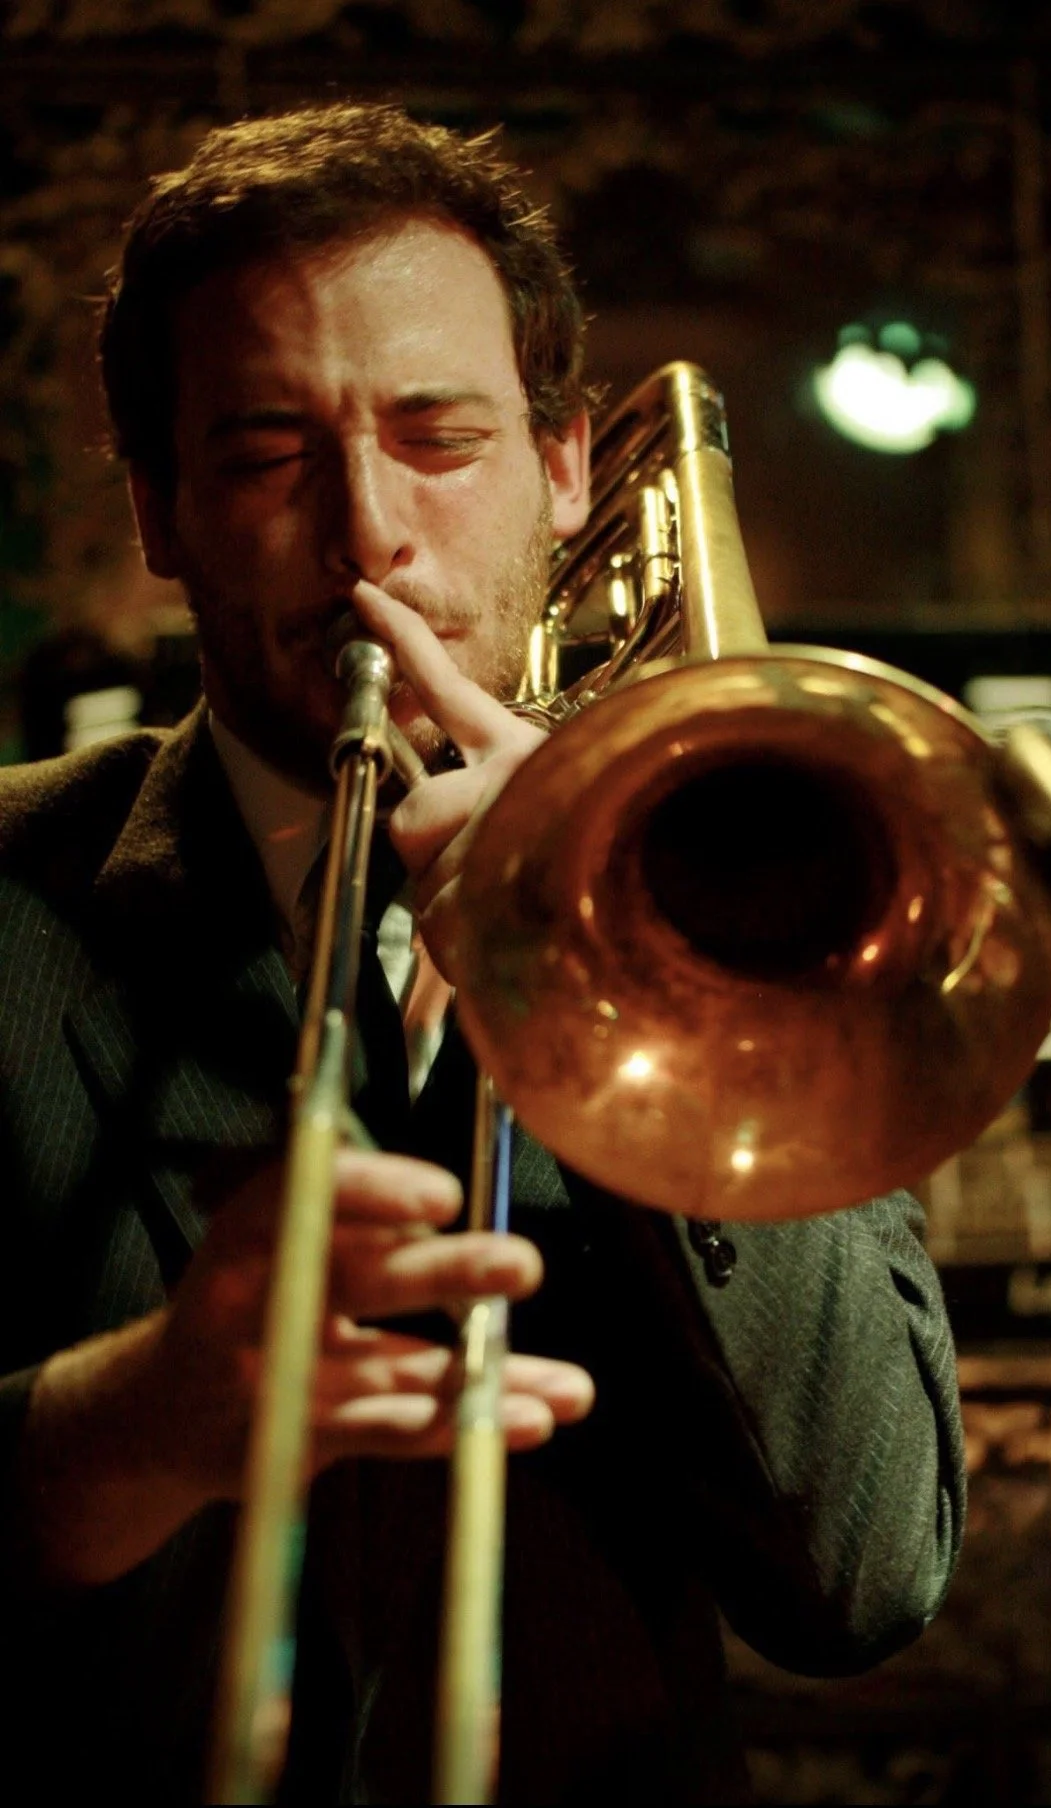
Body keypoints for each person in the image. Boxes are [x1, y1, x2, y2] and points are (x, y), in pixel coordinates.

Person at [0, 103, 965, 1804]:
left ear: (568, 467)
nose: (368, 530)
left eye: (438, 436)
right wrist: (134, 1417)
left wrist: (639, 962)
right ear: (159, 511)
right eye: (267, 454)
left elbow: (861, 1578)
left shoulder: (748, 921)